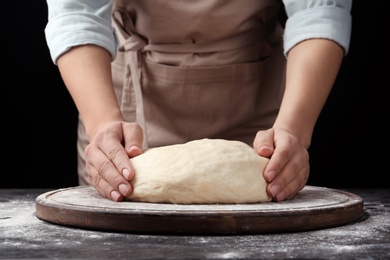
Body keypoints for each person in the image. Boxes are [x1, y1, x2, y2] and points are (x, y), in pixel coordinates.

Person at [45, 0, 352, 202]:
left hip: (260, 109)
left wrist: (294, 129)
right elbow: (77, 11)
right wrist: (103, 123)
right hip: (123, 108)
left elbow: (318, 10)